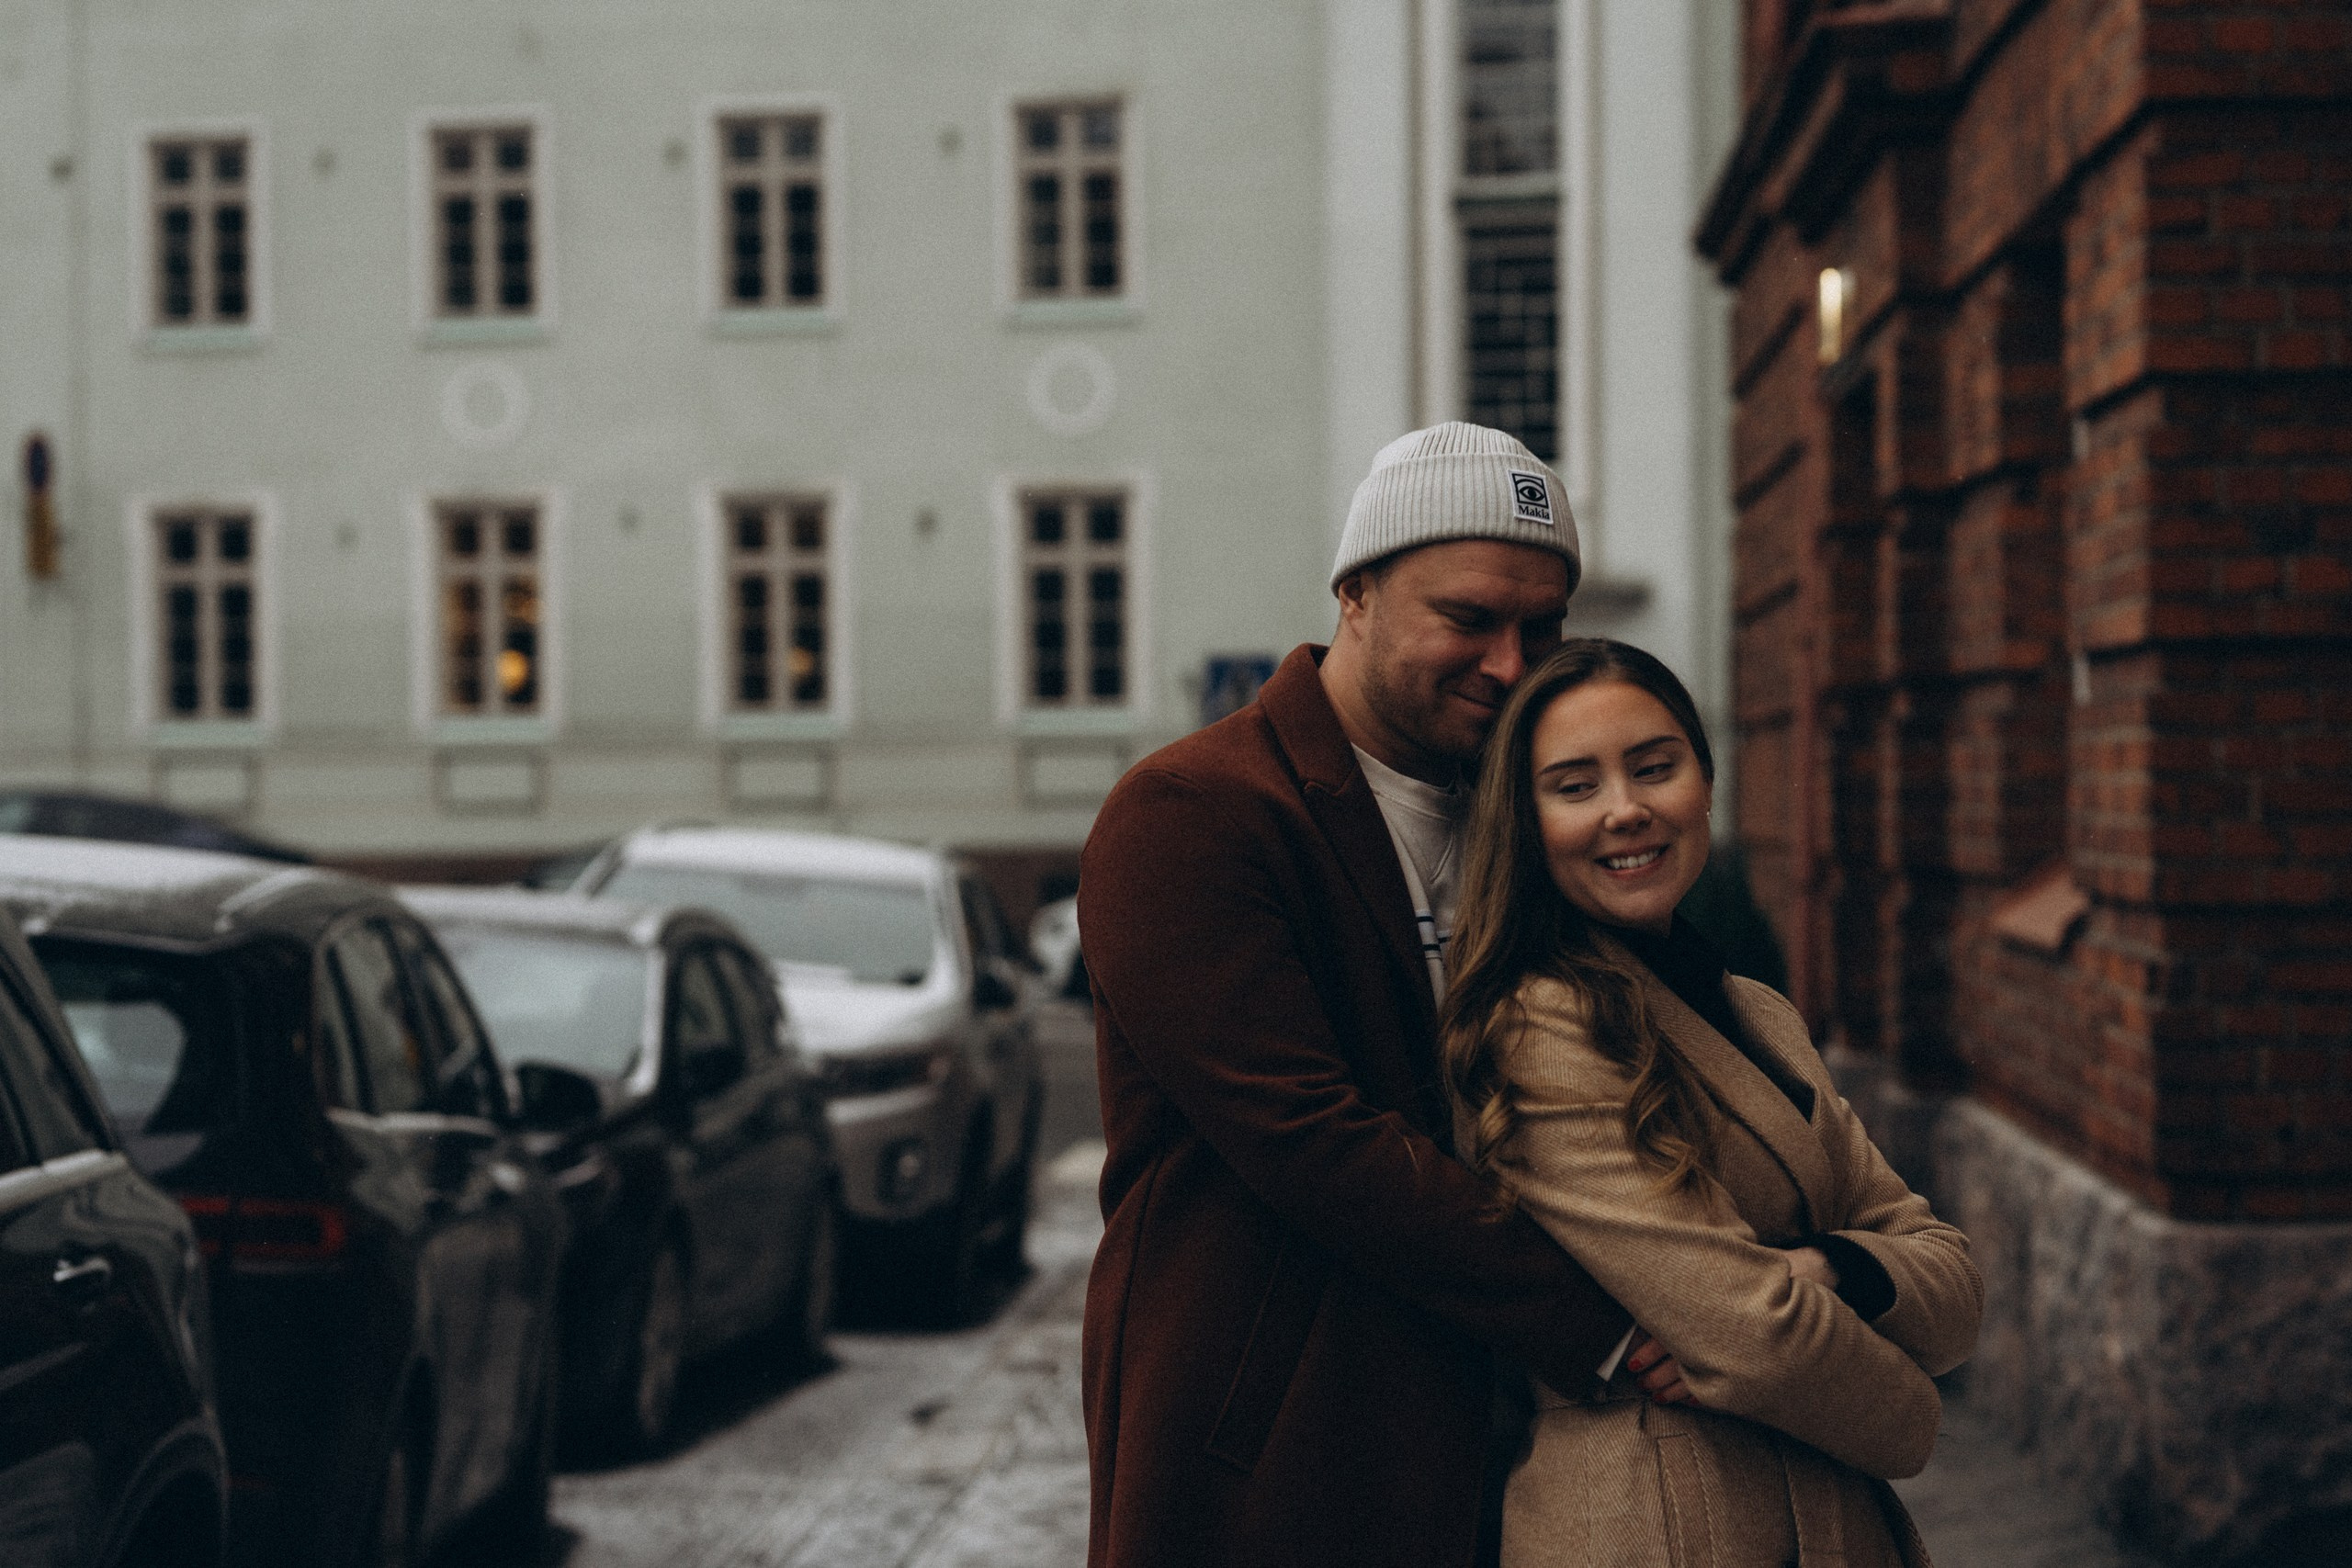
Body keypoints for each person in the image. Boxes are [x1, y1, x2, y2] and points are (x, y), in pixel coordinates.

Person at [1078, 424, 1636, 1567]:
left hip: (1507, 1437)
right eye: (1469, 619)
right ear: (1356, 594)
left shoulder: (1535, 816)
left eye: (1543, 628)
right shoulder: (1194, 813)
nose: (1510, 664)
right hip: (1281, 1443)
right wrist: (1611, 1325)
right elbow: (1312, 1140)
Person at [1440, 637, 1984, 1566]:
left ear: (1704, 779)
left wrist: (1828, 1267)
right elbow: (1755, 1337)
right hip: (1656, 1522)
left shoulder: (1757, 1013)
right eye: (1575, 786)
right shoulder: (1538, 1026)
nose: (1626, 810)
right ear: (1524, 822)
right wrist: (1912, 1413)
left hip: (1827, 1518)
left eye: (1654, 768)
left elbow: (1954, 1279)